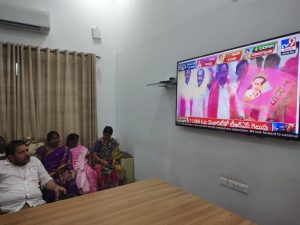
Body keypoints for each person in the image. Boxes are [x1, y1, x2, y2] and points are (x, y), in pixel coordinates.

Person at [0, 140, 66, 214]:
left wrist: (55, 187)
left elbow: (46, 179)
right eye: (21, 152)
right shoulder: (1, 166)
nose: (27, 154)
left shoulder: (34, 161)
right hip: (11, 209)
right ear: (11, 157)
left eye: (27, 150)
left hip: (37, 204)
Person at [36, 131, 80, 202]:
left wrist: (60, 170)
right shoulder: (42, 149)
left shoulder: (64, 149)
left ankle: (71, 198)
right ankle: (52, 201)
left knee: (68, 176)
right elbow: (38, 162)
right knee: (51, 180)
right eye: (53, 138)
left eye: (57, 138)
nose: (56, 140)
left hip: (62, 170)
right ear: (48, 141)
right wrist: (53, 172)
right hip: (48, 172)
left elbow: (68, 163)